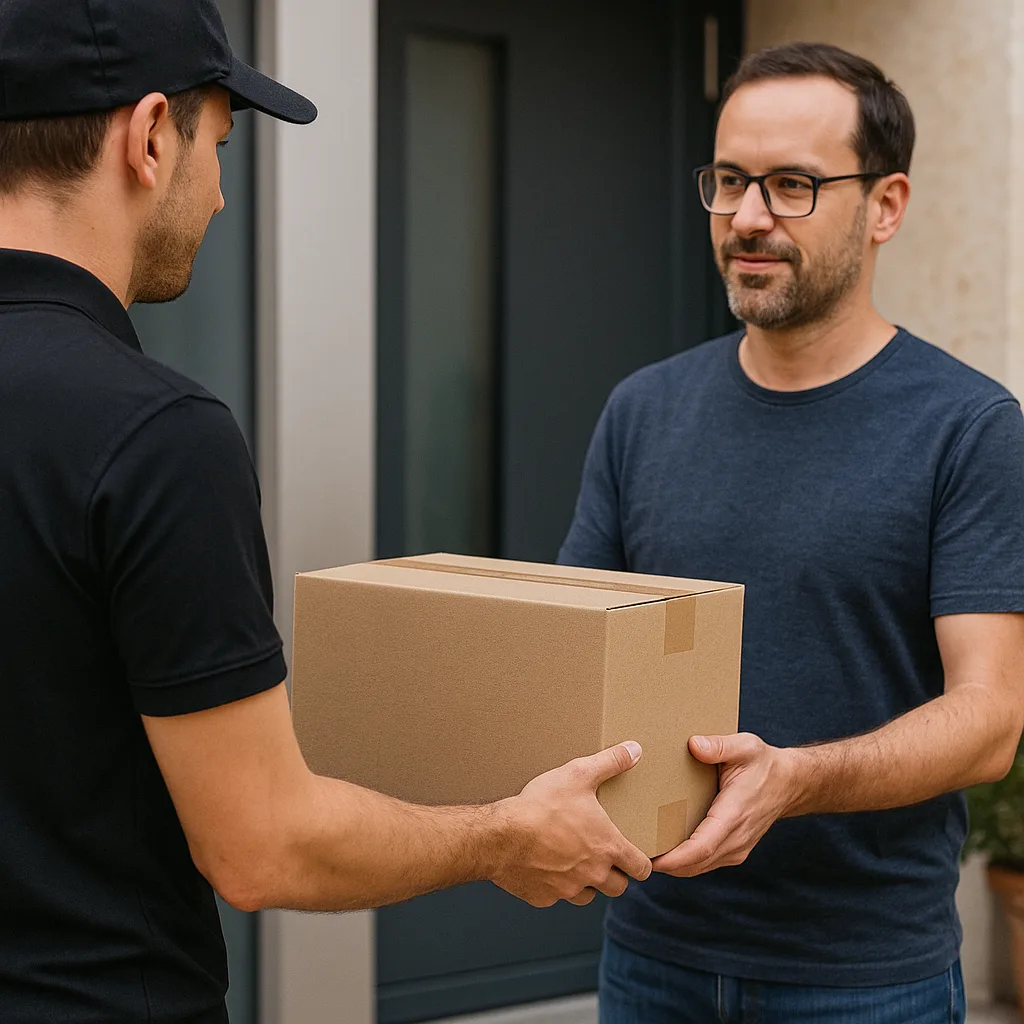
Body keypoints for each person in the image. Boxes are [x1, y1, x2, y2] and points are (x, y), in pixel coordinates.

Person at [0, 1, 652, 1021]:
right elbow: (262, 845)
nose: (218, 197)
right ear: (150, 134)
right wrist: (505, 835)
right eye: (219, 146)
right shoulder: (154, 434)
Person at [560, 42, 1024, 1024]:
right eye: (729, 181)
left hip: (866, 980)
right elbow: (573, 656)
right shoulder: (641, 411)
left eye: (792, 185)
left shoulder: (969, 428)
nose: (749, 217)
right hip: (650, 958)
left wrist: (794, 780)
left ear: (886, 205)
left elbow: (989, 720)